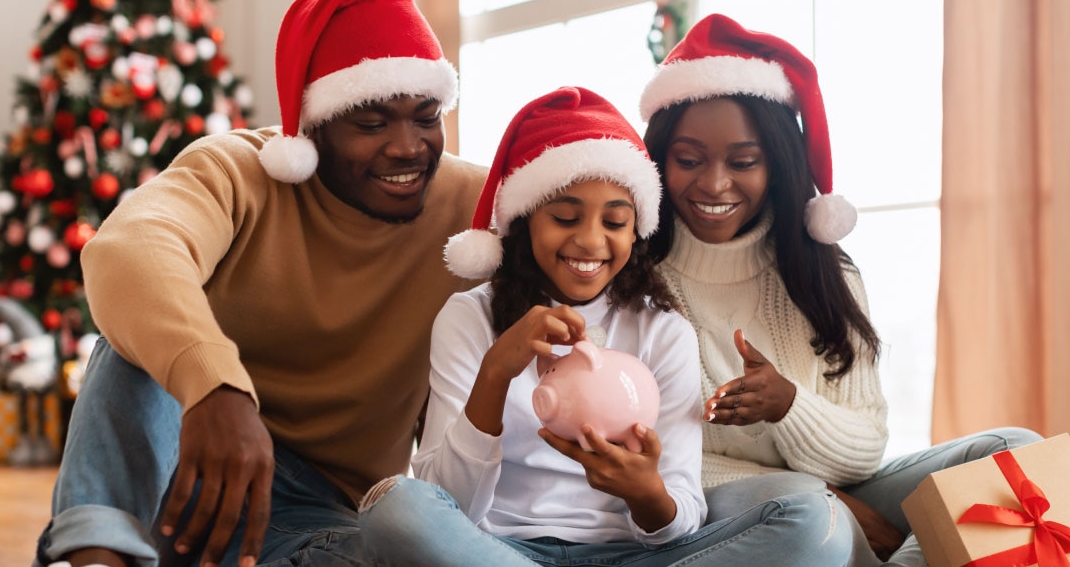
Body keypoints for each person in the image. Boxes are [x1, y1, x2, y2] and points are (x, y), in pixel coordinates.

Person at [33, 0, 487, 566]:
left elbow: (593, 230)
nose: (407, 146)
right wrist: (215, 387)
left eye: (427, 117)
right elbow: (128, 248)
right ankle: (95, 557)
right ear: (312, 126)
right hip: (178, 465)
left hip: (313, 514)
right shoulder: (236, 170)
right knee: (132, 350)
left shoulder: (472, 206)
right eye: (371, 123)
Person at [355, 86, 852, 566]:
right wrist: (495, 373)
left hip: (634, 555)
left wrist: (647, 494)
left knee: (815, 520)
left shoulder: (663, 331)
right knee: (394, 506)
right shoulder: (470, 317)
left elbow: (682, 514)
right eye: (565, 217)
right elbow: (446, 504)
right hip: (500, 550)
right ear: (526, 218)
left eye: (614, 223)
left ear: (635, 230)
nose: (591, 242)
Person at [639, 13, 1043, 566]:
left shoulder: (825, 272)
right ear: (660, 161)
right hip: (731, 509)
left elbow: (866, 446)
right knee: (815, 521)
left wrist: (789, 406)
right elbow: (656, 462)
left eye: (743, 162)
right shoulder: (636, 281)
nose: (714, 183)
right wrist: (832, 501)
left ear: (776, 165)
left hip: (839, 491)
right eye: (689, 160)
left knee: (1015, 462)